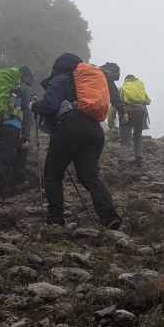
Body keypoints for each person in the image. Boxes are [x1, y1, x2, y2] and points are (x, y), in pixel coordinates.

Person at [31, 53, 122, 229]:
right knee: (89, 176)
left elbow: (50, 106)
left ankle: (56, 218)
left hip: (70, 126)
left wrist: (34, 106)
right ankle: (110, 216)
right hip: (95, 130)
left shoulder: (60, 80)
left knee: (53, 173)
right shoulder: (88, 82)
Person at [0, 65, 35, 203]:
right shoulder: (25, 89)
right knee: (5, 159)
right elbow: (27, 114)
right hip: (12, 127)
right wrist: (26, 135)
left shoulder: (9, 87)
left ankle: (18, 182)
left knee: (20, 149)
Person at [115, 74, 150, 166]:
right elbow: (148, 101)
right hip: (140, 112)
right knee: (137, 136)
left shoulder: (122, 88)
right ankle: (139, 157)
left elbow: (115, 105)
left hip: (126, 113)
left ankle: (123, 160)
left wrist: (111, 122)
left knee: (125, 140)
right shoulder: (140, 87)